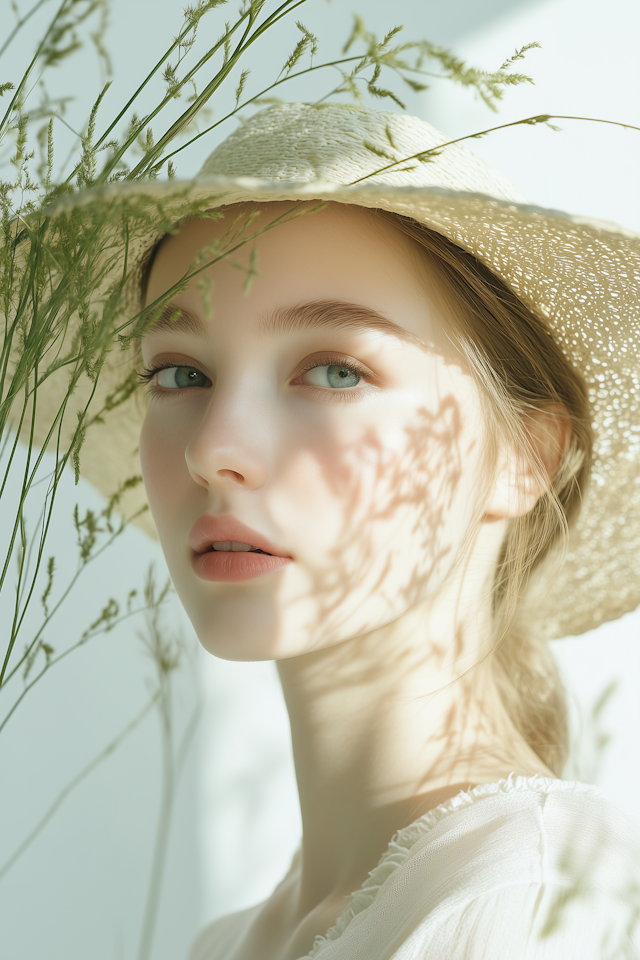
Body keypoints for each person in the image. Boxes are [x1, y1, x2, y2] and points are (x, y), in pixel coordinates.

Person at [57, 103, 640, 957]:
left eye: (335, 370)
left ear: (523, 454)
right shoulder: (227, 944)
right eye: (181, 373)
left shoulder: (549, 903)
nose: (216, 450)